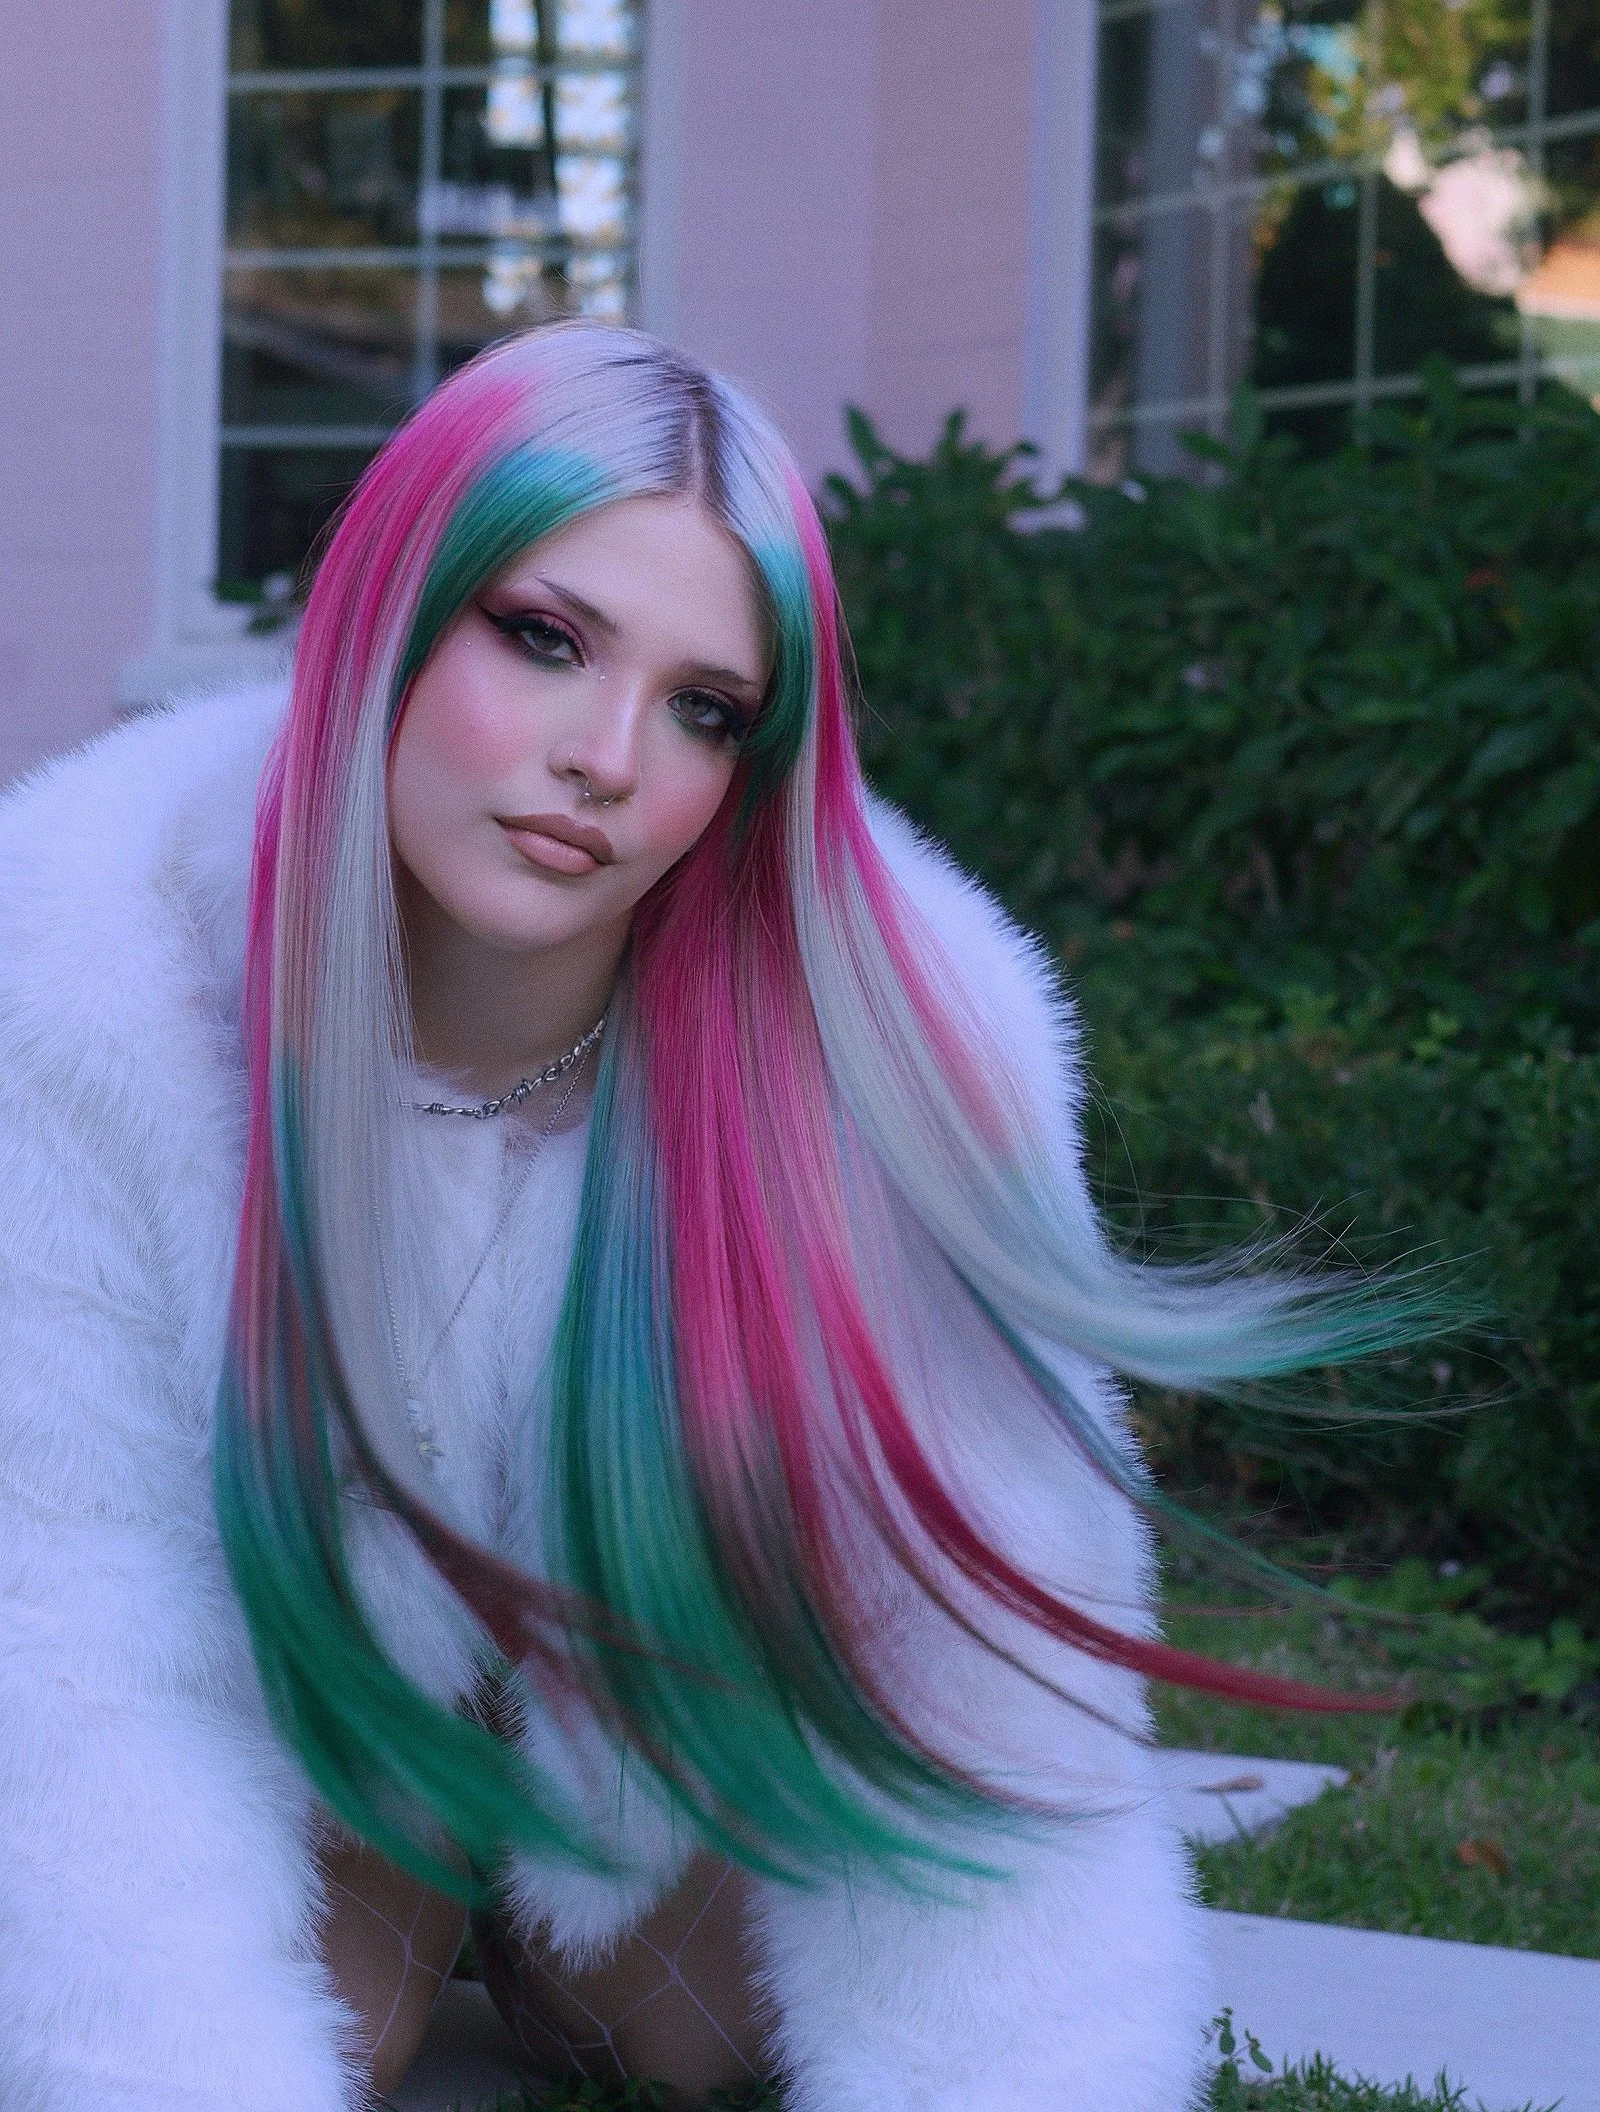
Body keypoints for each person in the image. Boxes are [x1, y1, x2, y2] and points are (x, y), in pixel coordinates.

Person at [0, 323, 1404, 2111]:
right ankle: (427, 1868)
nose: (606, 757)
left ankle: (542, 1880)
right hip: (288, 1677)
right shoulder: (77, 976)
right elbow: (59, 1618)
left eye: (704, 709)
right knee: (312, 2025)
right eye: (546, 638)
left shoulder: (906, 1043)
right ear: (391, 613)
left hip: (658, 1693)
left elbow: (996, 1661)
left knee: (688, 2038)